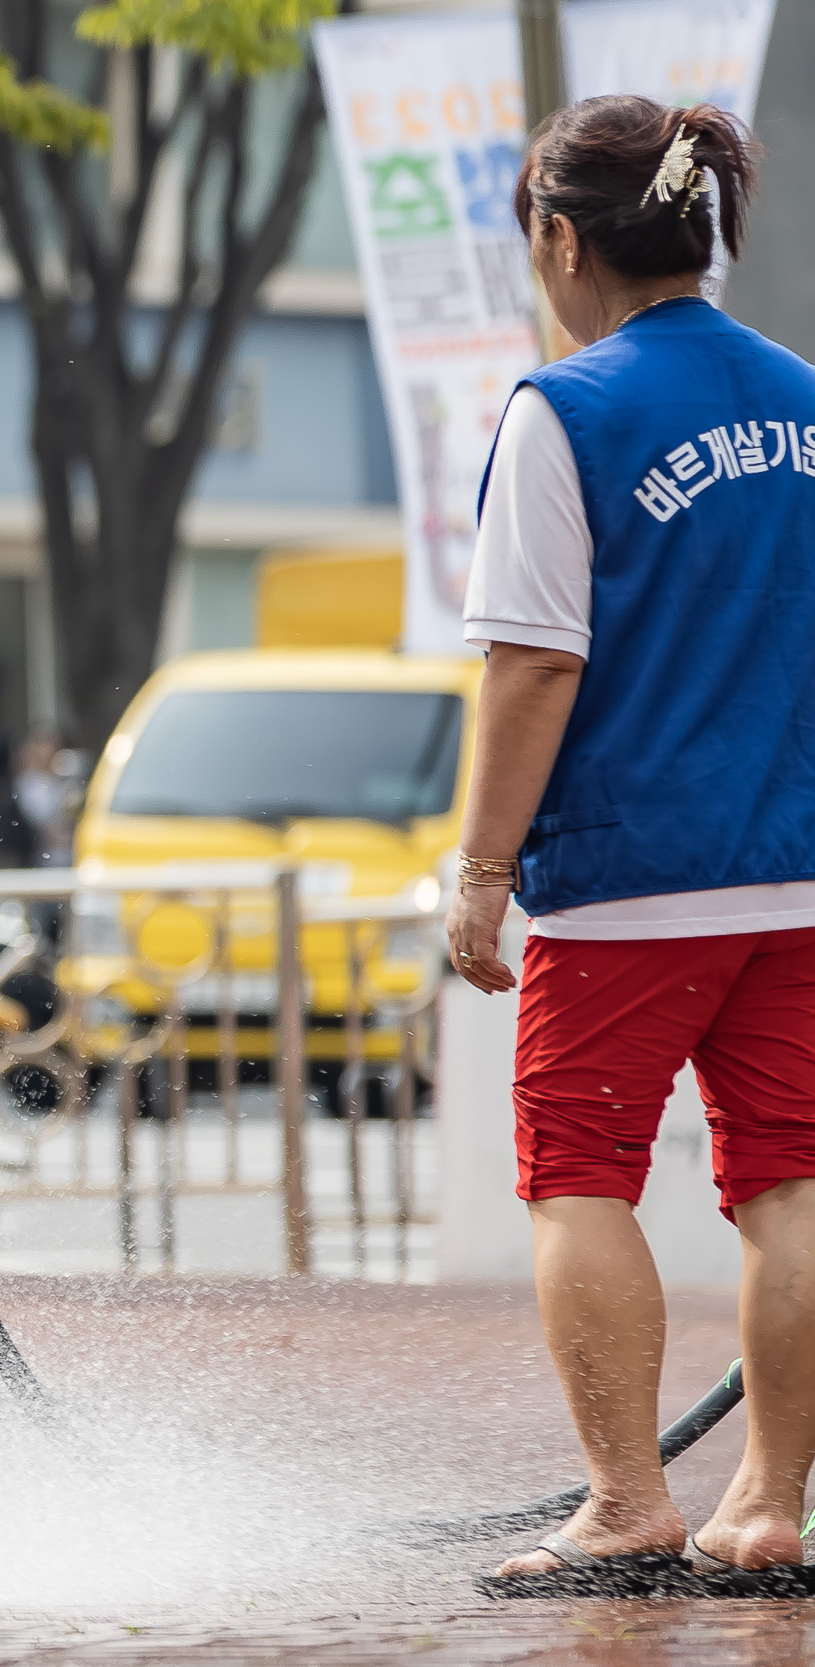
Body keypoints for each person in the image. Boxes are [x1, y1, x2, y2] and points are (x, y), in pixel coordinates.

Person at [448, 97, 815, 1593]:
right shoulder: (804, 400)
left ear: (556, 231)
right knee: (791, 1177)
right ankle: (774, 1501)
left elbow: (534, 664)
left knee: (579, 1169)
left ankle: (625, 1500)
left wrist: (480, 873)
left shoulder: (566, 410)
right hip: (797, 868)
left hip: (626, 881)